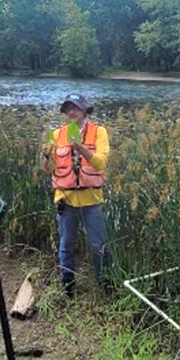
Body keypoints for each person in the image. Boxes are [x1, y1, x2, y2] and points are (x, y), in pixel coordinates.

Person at [42, 92, 110, 297]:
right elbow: (48, 170)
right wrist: (46, 157)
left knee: (98, 245)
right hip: (66, 199)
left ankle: (104, 285)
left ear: (84, 110)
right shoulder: (55, 134)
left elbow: (100, 163)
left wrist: (80, 149)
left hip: (91, 199)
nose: (72, 112)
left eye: (75, 108)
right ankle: (67, 286)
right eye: (68, 109)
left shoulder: (99, 132)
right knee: (66, 244)